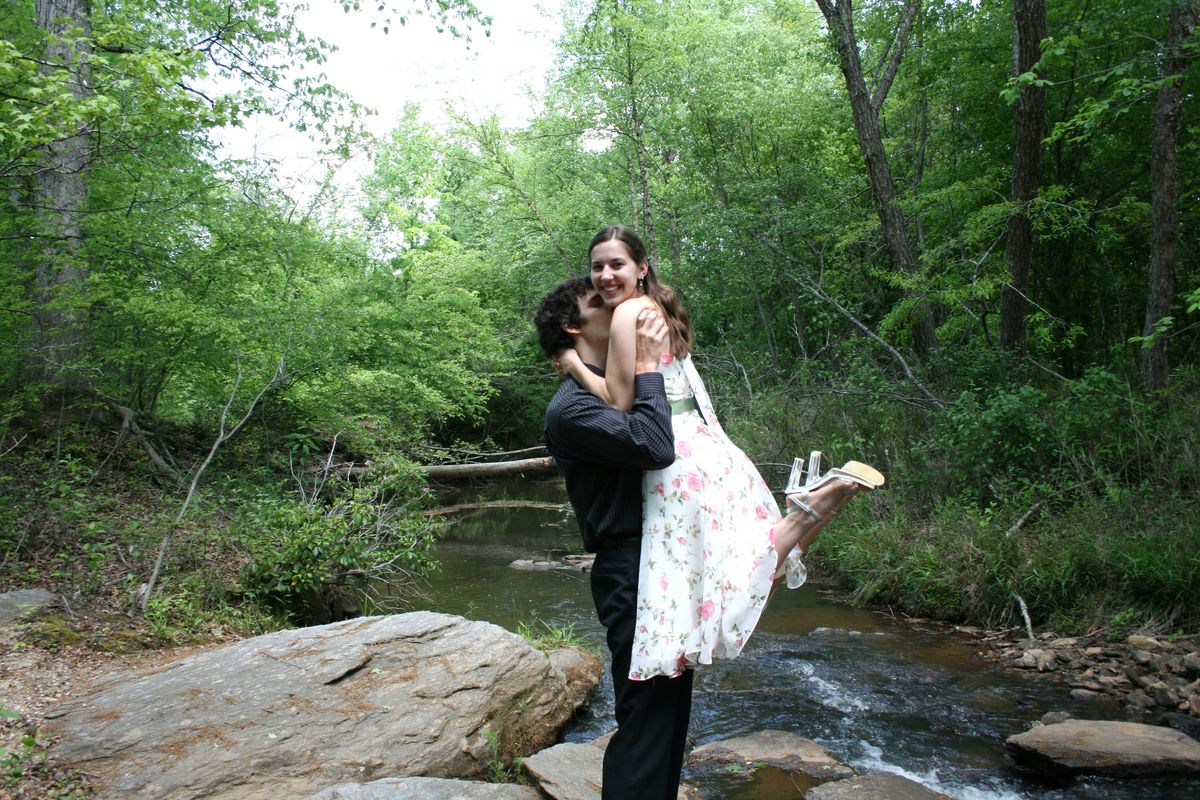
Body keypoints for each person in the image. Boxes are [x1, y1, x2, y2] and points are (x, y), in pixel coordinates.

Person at [557, 224, 882, 682]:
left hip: (673, 456)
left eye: (617, 264)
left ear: (641, 267)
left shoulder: (629, 312)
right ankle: (809, 512)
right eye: (597, 267)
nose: (606, 275)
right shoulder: (662, 308)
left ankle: (803, 517)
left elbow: (615, 398)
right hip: (705, 447)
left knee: (684, 571)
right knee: (729, 560)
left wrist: (572, 362)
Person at [536, 276, 690, 800]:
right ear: (574, 327)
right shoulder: (571, 409)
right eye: (600, 302)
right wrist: (647, 366)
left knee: (667, 722)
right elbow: (653, 445)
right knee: (645, 723)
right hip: (629, 571)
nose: (616, 304)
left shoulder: (606, 389)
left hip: (660, 562)